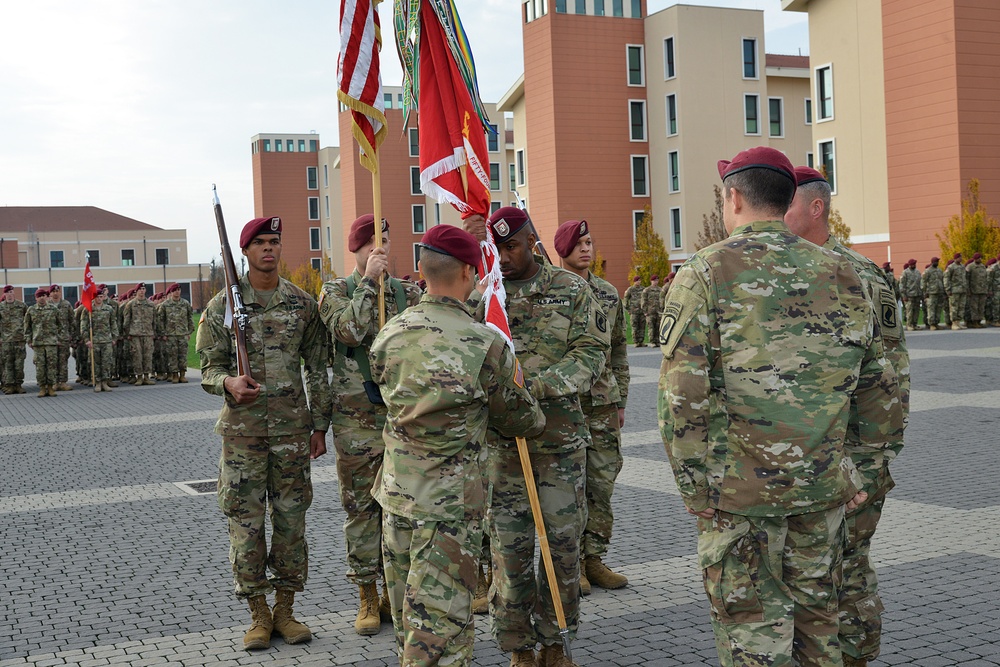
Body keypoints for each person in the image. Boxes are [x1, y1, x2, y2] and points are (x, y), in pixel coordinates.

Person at [658, 147, 903, 667]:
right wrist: (862, 467)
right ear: (790, 199)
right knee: (820, 630)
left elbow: (683, 396)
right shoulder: (846, 274)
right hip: (821, 490)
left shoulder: (704, 272)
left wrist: (693, 485)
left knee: (753, 634)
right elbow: (881, 387)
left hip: (738, 496)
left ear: (734, 198)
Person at [370, 224, 545, 667]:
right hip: (448, 511)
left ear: (424, 272)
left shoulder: (390, 334)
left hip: (396, 499)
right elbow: (522, 417)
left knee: (410, 626)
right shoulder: (482, 342)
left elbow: (381, 394)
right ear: (469, 272)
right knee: (441, 637)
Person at [785, 165, 909, 667]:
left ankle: (855, 657)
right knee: (811, 575)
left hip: (852, 459)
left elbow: (891, 374)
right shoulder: (784, 268)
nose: (777, 211)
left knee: (849, 569)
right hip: (803, 462)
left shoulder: (859, 273)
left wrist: (871, 463)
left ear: (816, 208)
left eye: (786, 202)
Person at [479, 206, 607, 667]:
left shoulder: (571, 290)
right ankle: (519, 649)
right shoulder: (484, 296)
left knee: (562, 551)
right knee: (509, 556)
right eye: (496, 248)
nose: (504, 256)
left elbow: (591, 356)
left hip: (559, 446)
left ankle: (555, 641)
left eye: (511, 245)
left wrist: (535, 386)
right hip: (502, 449)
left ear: (532, 240)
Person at [197, 216, 332, 651]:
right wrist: (228, 383)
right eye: (260, 243)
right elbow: (209, 368)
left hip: (293, 432)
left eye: (275, 241)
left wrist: (320, 424)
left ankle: (286, 612)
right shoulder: (222, 307)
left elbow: (317, 366)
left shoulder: (302, 304)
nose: (269, 249)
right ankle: (258, 614)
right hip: (243, 436)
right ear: (245, 252)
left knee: (291, 524)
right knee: (246, 526)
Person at [318, 214, 423, 635]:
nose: (381, 249)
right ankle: (367, 593)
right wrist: (368, 284)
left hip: (401, 419)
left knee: (402, 507)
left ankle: (398, 590)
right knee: (361, 508)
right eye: (372, 244)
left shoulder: (407, 292)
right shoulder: (334, 292)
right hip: (356, 423)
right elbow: (347, 330)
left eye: (386, 240)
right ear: (356, 249)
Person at [553, 219, 631, 593]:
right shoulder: (550, 293)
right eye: (579, 243)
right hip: (567, 405)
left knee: (600, 484)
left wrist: (620, 400)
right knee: (569, 489)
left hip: (601, 404)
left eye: (590, 242)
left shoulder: (608, 294)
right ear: (562, 250)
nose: (587, 249)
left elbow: (618, 350)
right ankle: (571, 566)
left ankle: (594, 558)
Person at [24, 288, 61, 398]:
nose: (41, 298)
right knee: (40, 366)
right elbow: (27, 327)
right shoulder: (31, 310)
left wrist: (57, 338)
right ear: (36, 298)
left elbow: (60, 325)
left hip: (51, 343)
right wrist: (29, 340)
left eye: (43, 295)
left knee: (51, 366)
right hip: (38, 343)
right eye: (39, 296)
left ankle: (50, 387)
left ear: (47, 297)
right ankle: (42, 388)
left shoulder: (53, 309)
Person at [81, 290, 119, 392]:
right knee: (95, 363)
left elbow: (113, 324)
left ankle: (105, 382)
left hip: (106, 340)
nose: (99, 299)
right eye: (97, 297)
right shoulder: (88, 310)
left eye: (101, 297)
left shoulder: (109, 309)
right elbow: (84, 326)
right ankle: (97, 382)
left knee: (106, 362)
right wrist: (87, 340)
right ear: (94, 298)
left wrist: (115, 338)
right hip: (94, 340)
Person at [159, 283, 195, 382]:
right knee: (172, 355)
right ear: (171, 292)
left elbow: (190, 318)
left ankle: (182, 374)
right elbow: (161, 320)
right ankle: (174, 374)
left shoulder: (185, 303)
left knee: (183, 355)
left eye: (179, 290)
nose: (177, 292)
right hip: (170, 334)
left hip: (183, 333)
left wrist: (189, 332)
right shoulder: (165, 305)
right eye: (175, 290)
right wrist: (163, 333)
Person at [123, 283, 157, 384]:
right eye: (140, 289)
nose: (142, 291)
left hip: (148, 333)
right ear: (137, 291)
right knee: (137, 356)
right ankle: (138, 377)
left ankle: (146, 376)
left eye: (143, 289)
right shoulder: (131, 304)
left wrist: (154, 332)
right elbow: (127, 320)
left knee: (148, 355)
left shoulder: (151, 304)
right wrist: (127, 333)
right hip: (135, 334)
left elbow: (155, 320)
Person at [0, 285, 28, 394]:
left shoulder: (21, 306)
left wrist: (26, 334)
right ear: (5, 294)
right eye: (8, 292)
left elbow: (28, 320)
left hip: (19, 340)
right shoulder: (1, 307)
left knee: (19, 363)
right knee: (8, 364)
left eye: (11, 292)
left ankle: (18, 384)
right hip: (6, 341)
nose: (10, 294)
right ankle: (9, 385)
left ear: (14, 293)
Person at [47, 285, 75, 391]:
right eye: (53, 291)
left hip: (64, 337)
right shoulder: (47, 305)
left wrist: (72, 335)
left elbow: (72, 320)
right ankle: (54, 382)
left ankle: (63, 382)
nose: (55, 293)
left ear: (60, 292)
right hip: (50, 338)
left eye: (57, 291)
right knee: (52, 361)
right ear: (50, 294)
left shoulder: (66, 304)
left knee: (63, 360)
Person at [944, 252, 968, 329]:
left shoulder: (962, 266)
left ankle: (958, 322)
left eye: (961, 257)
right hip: (954, 290)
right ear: (955, 258)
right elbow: (946, 279)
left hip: (962, 290)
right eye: (959, 257)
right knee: (954, 307)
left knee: (961, 307)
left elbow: (965, 278)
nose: (961, 259)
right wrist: (948, 289)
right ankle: (954, 323)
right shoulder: (951, 267)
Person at [921, 258, 945, 330]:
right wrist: (925, 292)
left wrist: (943, 291)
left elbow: (942, 280)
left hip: (939, 292)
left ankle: (936, 323)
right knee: (931, 308)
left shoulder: (939, 270)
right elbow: (923, 283)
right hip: (931, 293)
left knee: (938, 308)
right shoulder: (927, 271)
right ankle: (932, 324)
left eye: (938, 261)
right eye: (936, 261)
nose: (937, 263)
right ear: (932, 262)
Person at [967, 252, 989, 327]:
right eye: (979, 258)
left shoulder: (983, 266)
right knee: (974, 307)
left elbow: (985, 278)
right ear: (975, 259)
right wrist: (968, 290)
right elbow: (967, 279)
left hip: (982, 290)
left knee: (981, 306)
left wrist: (986, 289)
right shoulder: (970, 267)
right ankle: (975, 322)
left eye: (980, 258)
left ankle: (979, 321)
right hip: (974, 290)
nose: (980, 259)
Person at [622, 276, 646, 347]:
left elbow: (645, 299)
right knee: (635, 327)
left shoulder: (643, 289)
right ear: (634, 281)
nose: (638, 282)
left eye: (639, 280)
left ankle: (641, 341)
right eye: (637, 281)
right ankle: (636, 342)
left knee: (642, 327)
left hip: (642, 311)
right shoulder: (630, 289)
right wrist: (628, 309)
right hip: (634, 311)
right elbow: (626, 299)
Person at [900, 259, 923, 330]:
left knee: (916, 310)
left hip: (917, 294)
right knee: (909, 311)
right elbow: (902, 285)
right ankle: (909, 325)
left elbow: (920, 283)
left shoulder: (917, 272)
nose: (914, 265)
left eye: (915, 264)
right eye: (912, 264)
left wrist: (921, 293)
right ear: (909, 265)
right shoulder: (905, 273)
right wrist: (904, 295)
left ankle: (914, 324)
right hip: (909, 295)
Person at [641, 275, 662, 347]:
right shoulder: (647, 290)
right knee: (651, 327)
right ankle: (652, 341)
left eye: (657, 280)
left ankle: (657, 341)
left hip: (658, 311)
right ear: (651, 281)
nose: (655, 282)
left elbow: (662, 300)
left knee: (658, 327)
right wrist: (645, 311)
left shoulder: (660, 290)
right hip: (650, 312)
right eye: (654, 281)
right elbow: (643, 301)